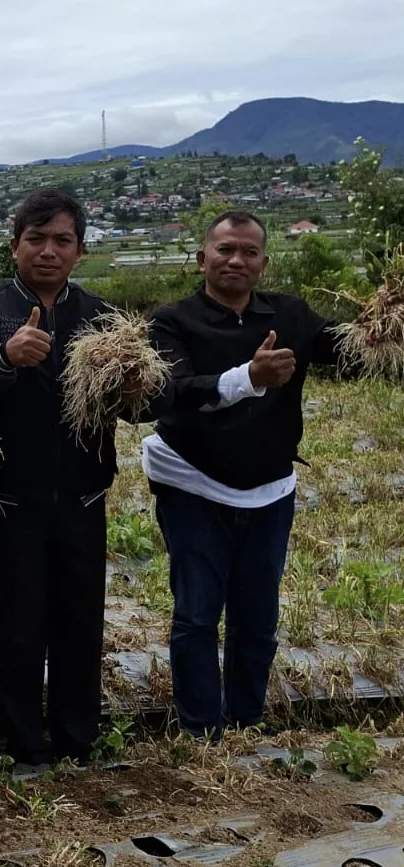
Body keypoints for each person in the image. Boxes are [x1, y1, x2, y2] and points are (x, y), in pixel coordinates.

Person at [144, 210, 355, 740]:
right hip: (192, 483)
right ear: (202, 259)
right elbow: (171, 393)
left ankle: (244, 721)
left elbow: (348, 351)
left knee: (257, 616)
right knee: (196, 613)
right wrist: (248, 378)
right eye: (225, 249)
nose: (236, 259)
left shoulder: (291, 315)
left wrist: (383, 326)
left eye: (249, 252)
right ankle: (199, 730)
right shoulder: (171, 322)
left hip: (270, 490)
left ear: (264, 263)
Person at [0, 188, 123, 766]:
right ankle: (22, 740)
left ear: (79, 251)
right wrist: (2, 357)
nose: (47, 251)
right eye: (35, 239)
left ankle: (77, 736)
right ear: (14, 246)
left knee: (79, 620)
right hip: (8, 498)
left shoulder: (101, 317)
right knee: (15, 624)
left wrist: (135, 378)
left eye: (61, 240)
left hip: (83, 494)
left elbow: (143, 403)